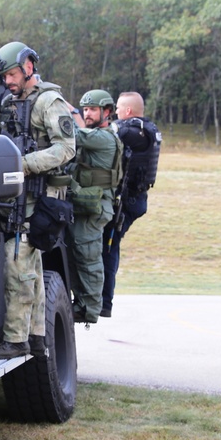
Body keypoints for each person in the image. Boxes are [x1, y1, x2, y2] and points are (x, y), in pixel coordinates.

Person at [0, 42, 75, 359]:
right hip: (16, 196)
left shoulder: (49, 101)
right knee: (31, 267)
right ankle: (36, 336)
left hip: (39, 196)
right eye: (3, 76)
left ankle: (16, 340)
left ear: (27, 68)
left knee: (17, 263)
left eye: (10, 74)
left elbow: (66, 148)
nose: (7, 81)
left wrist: (24, 164)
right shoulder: (9, 101)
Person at [101, 91, 161, 317]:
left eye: (117, 108)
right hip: (132, 200)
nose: (115, 112)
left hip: (127, 203)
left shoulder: (135, 133)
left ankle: (105, 302)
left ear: (127, 111)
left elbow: (107, 134)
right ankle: (104, 300)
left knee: (108, 249)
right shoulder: (145, 129)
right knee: (109, 247)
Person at [68, 90, 121, 324]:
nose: (87, 113)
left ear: (106, 112)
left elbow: (75, 136)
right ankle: (82, 303)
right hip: (90, 204)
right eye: (84, 109)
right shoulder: (98, 134)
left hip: (96, 207)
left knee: (88, 256)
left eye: (92, 109)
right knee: (80, 253)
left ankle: (89, 308)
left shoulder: (104, 138)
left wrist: (64, 114)